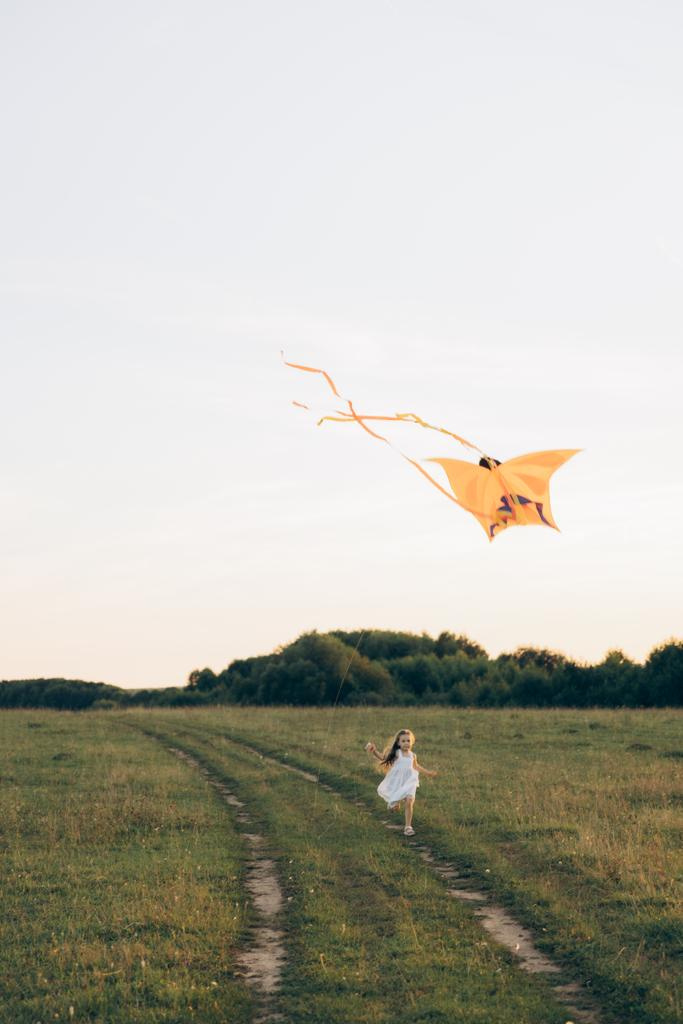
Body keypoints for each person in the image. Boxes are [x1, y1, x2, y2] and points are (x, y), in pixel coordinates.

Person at [364, 729, 437, 836]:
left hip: (410, 781)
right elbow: (383, 758)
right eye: (403, 741)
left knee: (409, 801)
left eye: (408, 741)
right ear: (398, 743)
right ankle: (394, 803)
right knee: (394, 806)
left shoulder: (412, 755)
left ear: (411, 742)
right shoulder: (397, 753)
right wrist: (374, 751)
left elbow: (416, 766)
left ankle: (408, 827)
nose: (406, 743)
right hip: (398, 781)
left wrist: (428, 772)